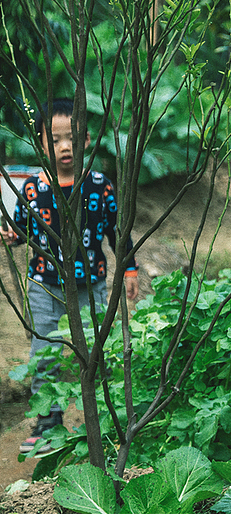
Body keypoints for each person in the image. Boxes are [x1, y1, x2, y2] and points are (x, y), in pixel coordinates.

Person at [1, 99, 139, 455]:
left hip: (89, 287)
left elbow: (117, 231)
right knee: (44, 353)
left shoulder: (99, 185)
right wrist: (12, 236)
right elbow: (23, 231)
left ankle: (102, 421)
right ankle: (48, 424)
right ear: (42, 143)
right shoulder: (33, 188)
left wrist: (129, 267)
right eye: (56, 139)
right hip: (45, 286)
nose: (65, 146)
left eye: (72, 138)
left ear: (88, 139)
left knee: (93, 353)